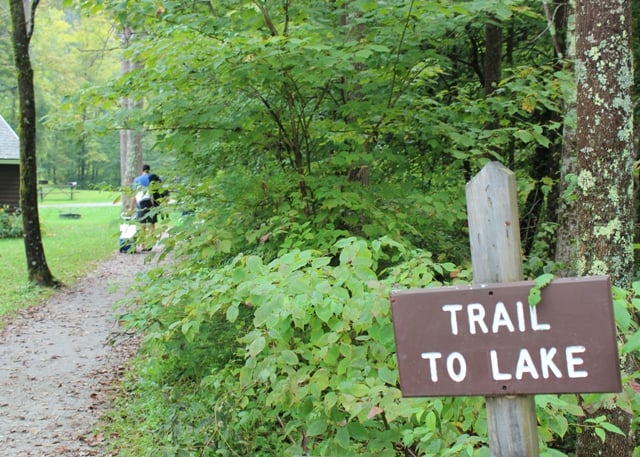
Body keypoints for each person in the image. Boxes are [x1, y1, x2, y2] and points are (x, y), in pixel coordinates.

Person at [129, 164, 159, 251]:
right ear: (149, 170)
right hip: (152, 202)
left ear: (142, 170)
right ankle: (150, 244)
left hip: (141, 202)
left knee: (143, 224)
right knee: (152, 223)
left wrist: (131, 207)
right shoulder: (153, 178)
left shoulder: (137, 179)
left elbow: (134, 195)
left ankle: (143, 244)